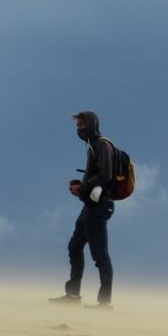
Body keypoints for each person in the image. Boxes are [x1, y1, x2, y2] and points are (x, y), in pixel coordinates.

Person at [49, 111, 115, 308]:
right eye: (77, 126)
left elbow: (106, 175)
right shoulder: (92, 146)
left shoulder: (102, 145)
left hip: (100, 206)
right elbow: (97, 176)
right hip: (90, 206)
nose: (79, 129)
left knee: (100, 254)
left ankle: (104, 303)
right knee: (75, 247)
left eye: (82, 125)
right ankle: (72, 296)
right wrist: (81, 184)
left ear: (92, 125)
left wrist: (82, 188)